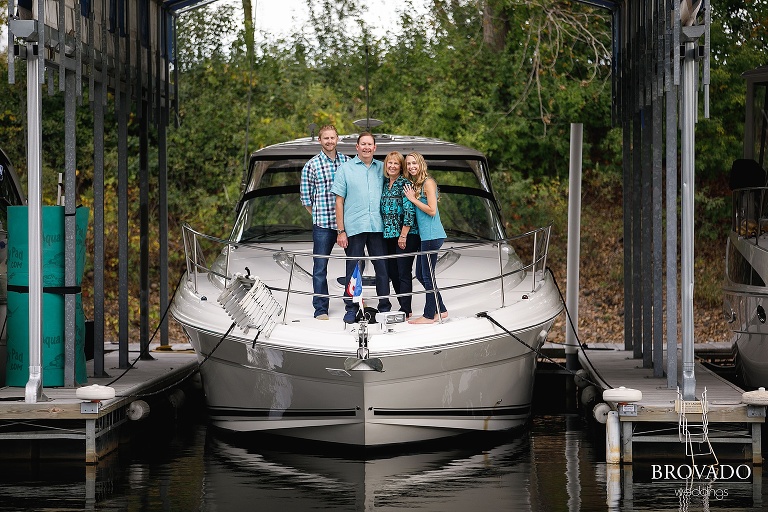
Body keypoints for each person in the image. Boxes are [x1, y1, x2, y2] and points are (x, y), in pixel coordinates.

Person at [331, 132, 392, 323]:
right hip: (354, 227)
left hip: (378, 227)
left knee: (382, 268)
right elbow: (339, 202)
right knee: (352, 269)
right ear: (357, 147)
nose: (366, 147)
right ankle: (351, 307)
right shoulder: (345, 169)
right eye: (363, 144)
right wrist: (341, 231)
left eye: (370, 144)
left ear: (375, 148)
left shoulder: (383, 168)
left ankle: (385, 307)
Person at [300, 125, 350, 320]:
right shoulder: (311, 166)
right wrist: (319, 215)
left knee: (355, 263)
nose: (329, 141)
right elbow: (306, 200)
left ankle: (352, 300)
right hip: (323, 225)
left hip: (347, 225)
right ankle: (321, 308)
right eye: (325, 138)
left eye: (332, 137)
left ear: (337, 139)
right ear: (320, 141)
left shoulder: (347, 161)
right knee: (320, 267)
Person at [403, 152, 448, 324]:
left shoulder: (428, 182)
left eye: (414, 163)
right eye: (408, 164)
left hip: (432, 235)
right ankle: (441, 309)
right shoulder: (417, 184)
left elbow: (432, 210)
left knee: (427, 276)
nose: (411, 166)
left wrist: (412, 199)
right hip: (426, 236)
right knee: (421, 275)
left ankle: (429, 315)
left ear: (421, 164)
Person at [380, 151, 418, 317]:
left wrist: (403, 235)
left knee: (403, 272)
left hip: (406, 235)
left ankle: (406, 309)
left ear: (401, 167)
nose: (392, 166)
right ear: (386, 165)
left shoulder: (405, 184)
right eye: (390, 163)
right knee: (392, 272)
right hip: (388, 235)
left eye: (396, 163)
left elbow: (410, 212)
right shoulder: (384, 184)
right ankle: (403, 303)